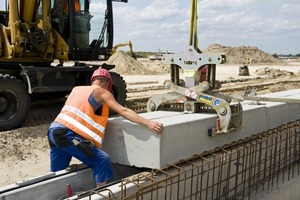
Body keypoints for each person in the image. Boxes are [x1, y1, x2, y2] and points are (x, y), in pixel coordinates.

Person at [47, 68, 164, 187]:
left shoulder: (76, 89)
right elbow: (123, 110)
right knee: (102, 160)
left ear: (93, 80)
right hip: (67, 134)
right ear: (107, 83)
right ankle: (102, 192)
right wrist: (148, 123)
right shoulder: (102, 92)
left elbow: (82, 110)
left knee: (58, 174)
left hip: (53, 133)